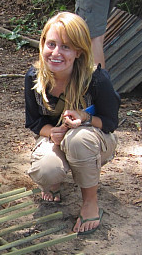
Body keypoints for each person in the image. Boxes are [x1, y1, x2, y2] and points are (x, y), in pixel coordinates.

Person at [24, 12, 120, 235]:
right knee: (46, 170)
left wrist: (84, 118)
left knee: (79, 140)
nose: (56, 53)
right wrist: (53, 133)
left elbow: (110, 122)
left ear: (78, 51)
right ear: (43, 44)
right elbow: (34, 122)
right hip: (57, 137)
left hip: (94, 139)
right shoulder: (34, 77)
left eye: (66, 47)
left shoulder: (96, 79)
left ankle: (90, 202)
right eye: (52, 44)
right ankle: (54, 182)